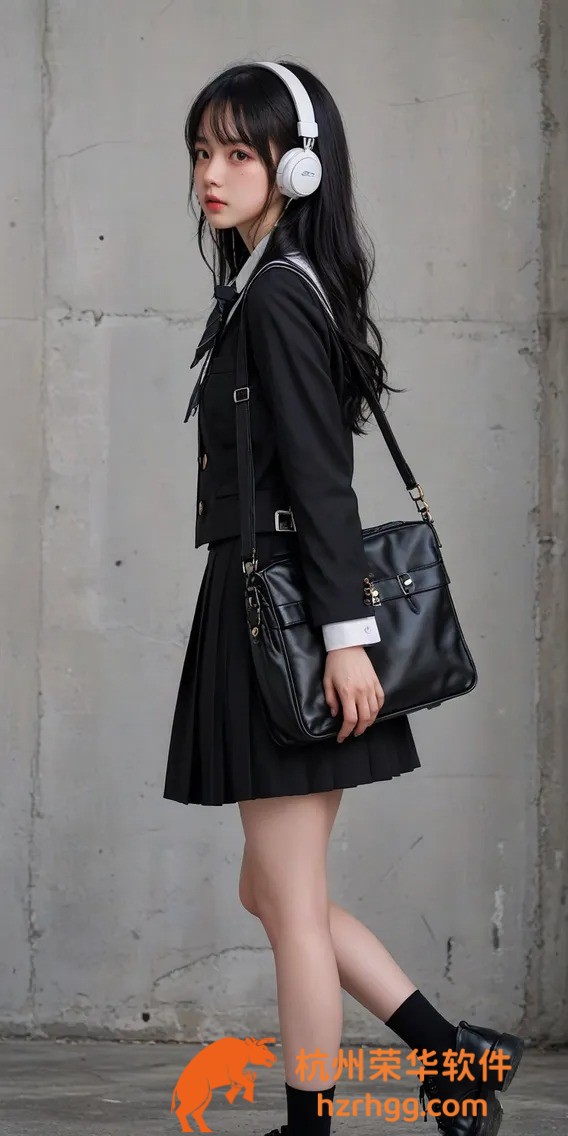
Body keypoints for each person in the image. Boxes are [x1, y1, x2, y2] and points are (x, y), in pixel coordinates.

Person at [163, 59, 524, 1136]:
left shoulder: (278, 294)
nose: (212, 173)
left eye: (239, 152)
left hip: (284, 619)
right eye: (202, 151)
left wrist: (345, 638)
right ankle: (453, 1057)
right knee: (277, 893)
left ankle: (314, 1125)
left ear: (296, 166)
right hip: (265, 609)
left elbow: (322, 482)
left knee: (289, 908)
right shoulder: (266, 282)